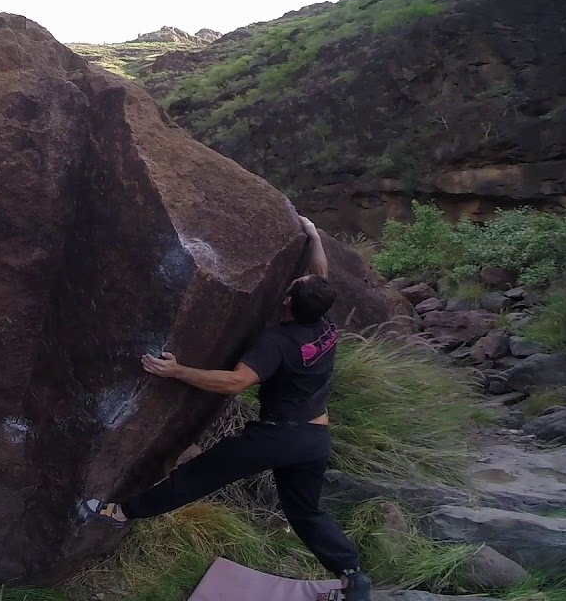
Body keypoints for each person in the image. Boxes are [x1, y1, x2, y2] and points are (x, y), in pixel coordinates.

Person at [81, 215, 372, 600]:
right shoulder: (324, 324)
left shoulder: (277, 342)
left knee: (198, 475)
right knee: (306, 513)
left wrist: (177, 370)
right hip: (315, 438)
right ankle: (352, 574)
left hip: (277, 436)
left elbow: (236, 382)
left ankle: (122, 512)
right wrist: (313, 235)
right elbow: (319, 274)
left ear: (287, 302)